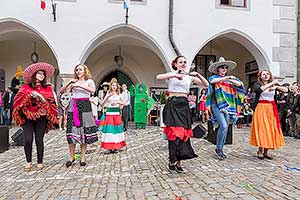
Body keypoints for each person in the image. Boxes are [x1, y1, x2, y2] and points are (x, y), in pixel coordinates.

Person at [156, 55, 208, 173]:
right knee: (174, 134)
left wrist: (198, 75)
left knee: (184, 134)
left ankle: (180, 162)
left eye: (185, 62)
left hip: (184, 106)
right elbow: (158, 77)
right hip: (173, 105)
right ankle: (172, 159)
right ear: (176, 64)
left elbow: (206, 85)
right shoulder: (171, 75)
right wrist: (175, 74)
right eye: (181, 62)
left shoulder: (189, 77)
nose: (183, 64)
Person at [12, 62, 58, 171]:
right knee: (28, 139)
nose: (41, 75)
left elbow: (52, 103)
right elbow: (17, 101)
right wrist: (29, 95)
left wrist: (41, 97)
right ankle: (28, 161)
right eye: (39, 73)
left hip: (41, 118)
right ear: (34, 75)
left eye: (43, 74)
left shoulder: (47, 88)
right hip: (28, 118)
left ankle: (40, 161)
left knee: (39, 139)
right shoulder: (25, 87)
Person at [206, 57, 245, 160]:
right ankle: (218, 149)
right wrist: (226, 78)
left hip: (228, 107)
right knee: (223, 126)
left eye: (225, 67)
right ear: (218, 69)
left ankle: (220, 149)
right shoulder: (214, 78)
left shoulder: (230, 80)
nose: (224, 69)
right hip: (216, 105)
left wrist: (230, 79)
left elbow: (240, 85)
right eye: (222, 67)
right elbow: (212, 81)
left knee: (225, 128)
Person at [61, 64, 98, 167]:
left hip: (85, 106)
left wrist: (80, 85)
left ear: (85, 71)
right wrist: (70, 83)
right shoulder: (73, 81)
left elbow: (93, 90)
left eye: (80, 69)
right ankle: (71, 157)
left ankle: (82, 158)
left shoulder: (89, 81)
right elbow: (62, 91)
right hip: (74, 105)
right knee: (71, 131)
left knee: (84, 131)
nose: (78, 71)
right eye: (76, 70)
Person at [250, 69, 287, 159]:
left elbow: (286, 89)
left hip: (271, 109)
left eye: (267, 74)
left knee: (270, 128)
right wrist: (272, 83)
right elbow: (259, 90)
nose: (266, 76)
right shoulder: (258, 84)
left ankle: (266, 151)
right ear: (260, 76)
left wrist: (276, 87)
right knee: (262, 128)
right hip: (261, 108)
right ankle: (260, 150)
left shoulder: (274, 85)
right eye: (264, 74)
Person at [101, 78, 126, 153]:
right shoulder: (108, 94)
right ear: (111, 86)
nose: (114, 87)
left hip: (116, 114)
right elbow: (102, 103)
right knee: (109, 131)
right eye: (113, 85)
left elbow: (125, 103)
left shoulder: (119, 94)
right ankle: (109, 147)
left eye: (115, 85)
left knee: (116, 131)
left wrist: (118, 102)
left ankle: (116, 146)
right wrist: (108, 97)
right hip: (109, 114)